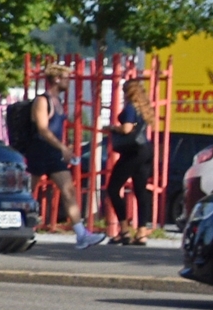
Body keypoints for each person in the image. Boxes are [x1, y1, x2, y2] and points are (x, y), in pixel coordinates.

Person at [11, 88, 101, 248]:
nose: (68, 81)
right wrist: (63, 148)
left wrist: (63, 147)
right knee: (26, 192)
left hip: (53, 153)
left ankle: (81, 234)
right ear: (57, 79)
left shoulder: (58, 101)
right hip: (38, 150)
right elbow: (43, 129)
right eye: (65, 77)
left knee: (68, 190)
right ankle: (13, 226)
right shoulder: (42, 100)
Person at [100, 78, 153, 244]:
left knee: (113, 188)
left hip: (132, 152)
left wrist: (111, 128)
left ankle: (124, 230)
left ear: (128, 92)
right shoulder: (143, 108)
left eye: (124, 91)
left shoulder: (130, 107)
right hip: (146, 150)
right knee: (140, 190)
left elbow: (127, 128)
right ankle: (142, 233)